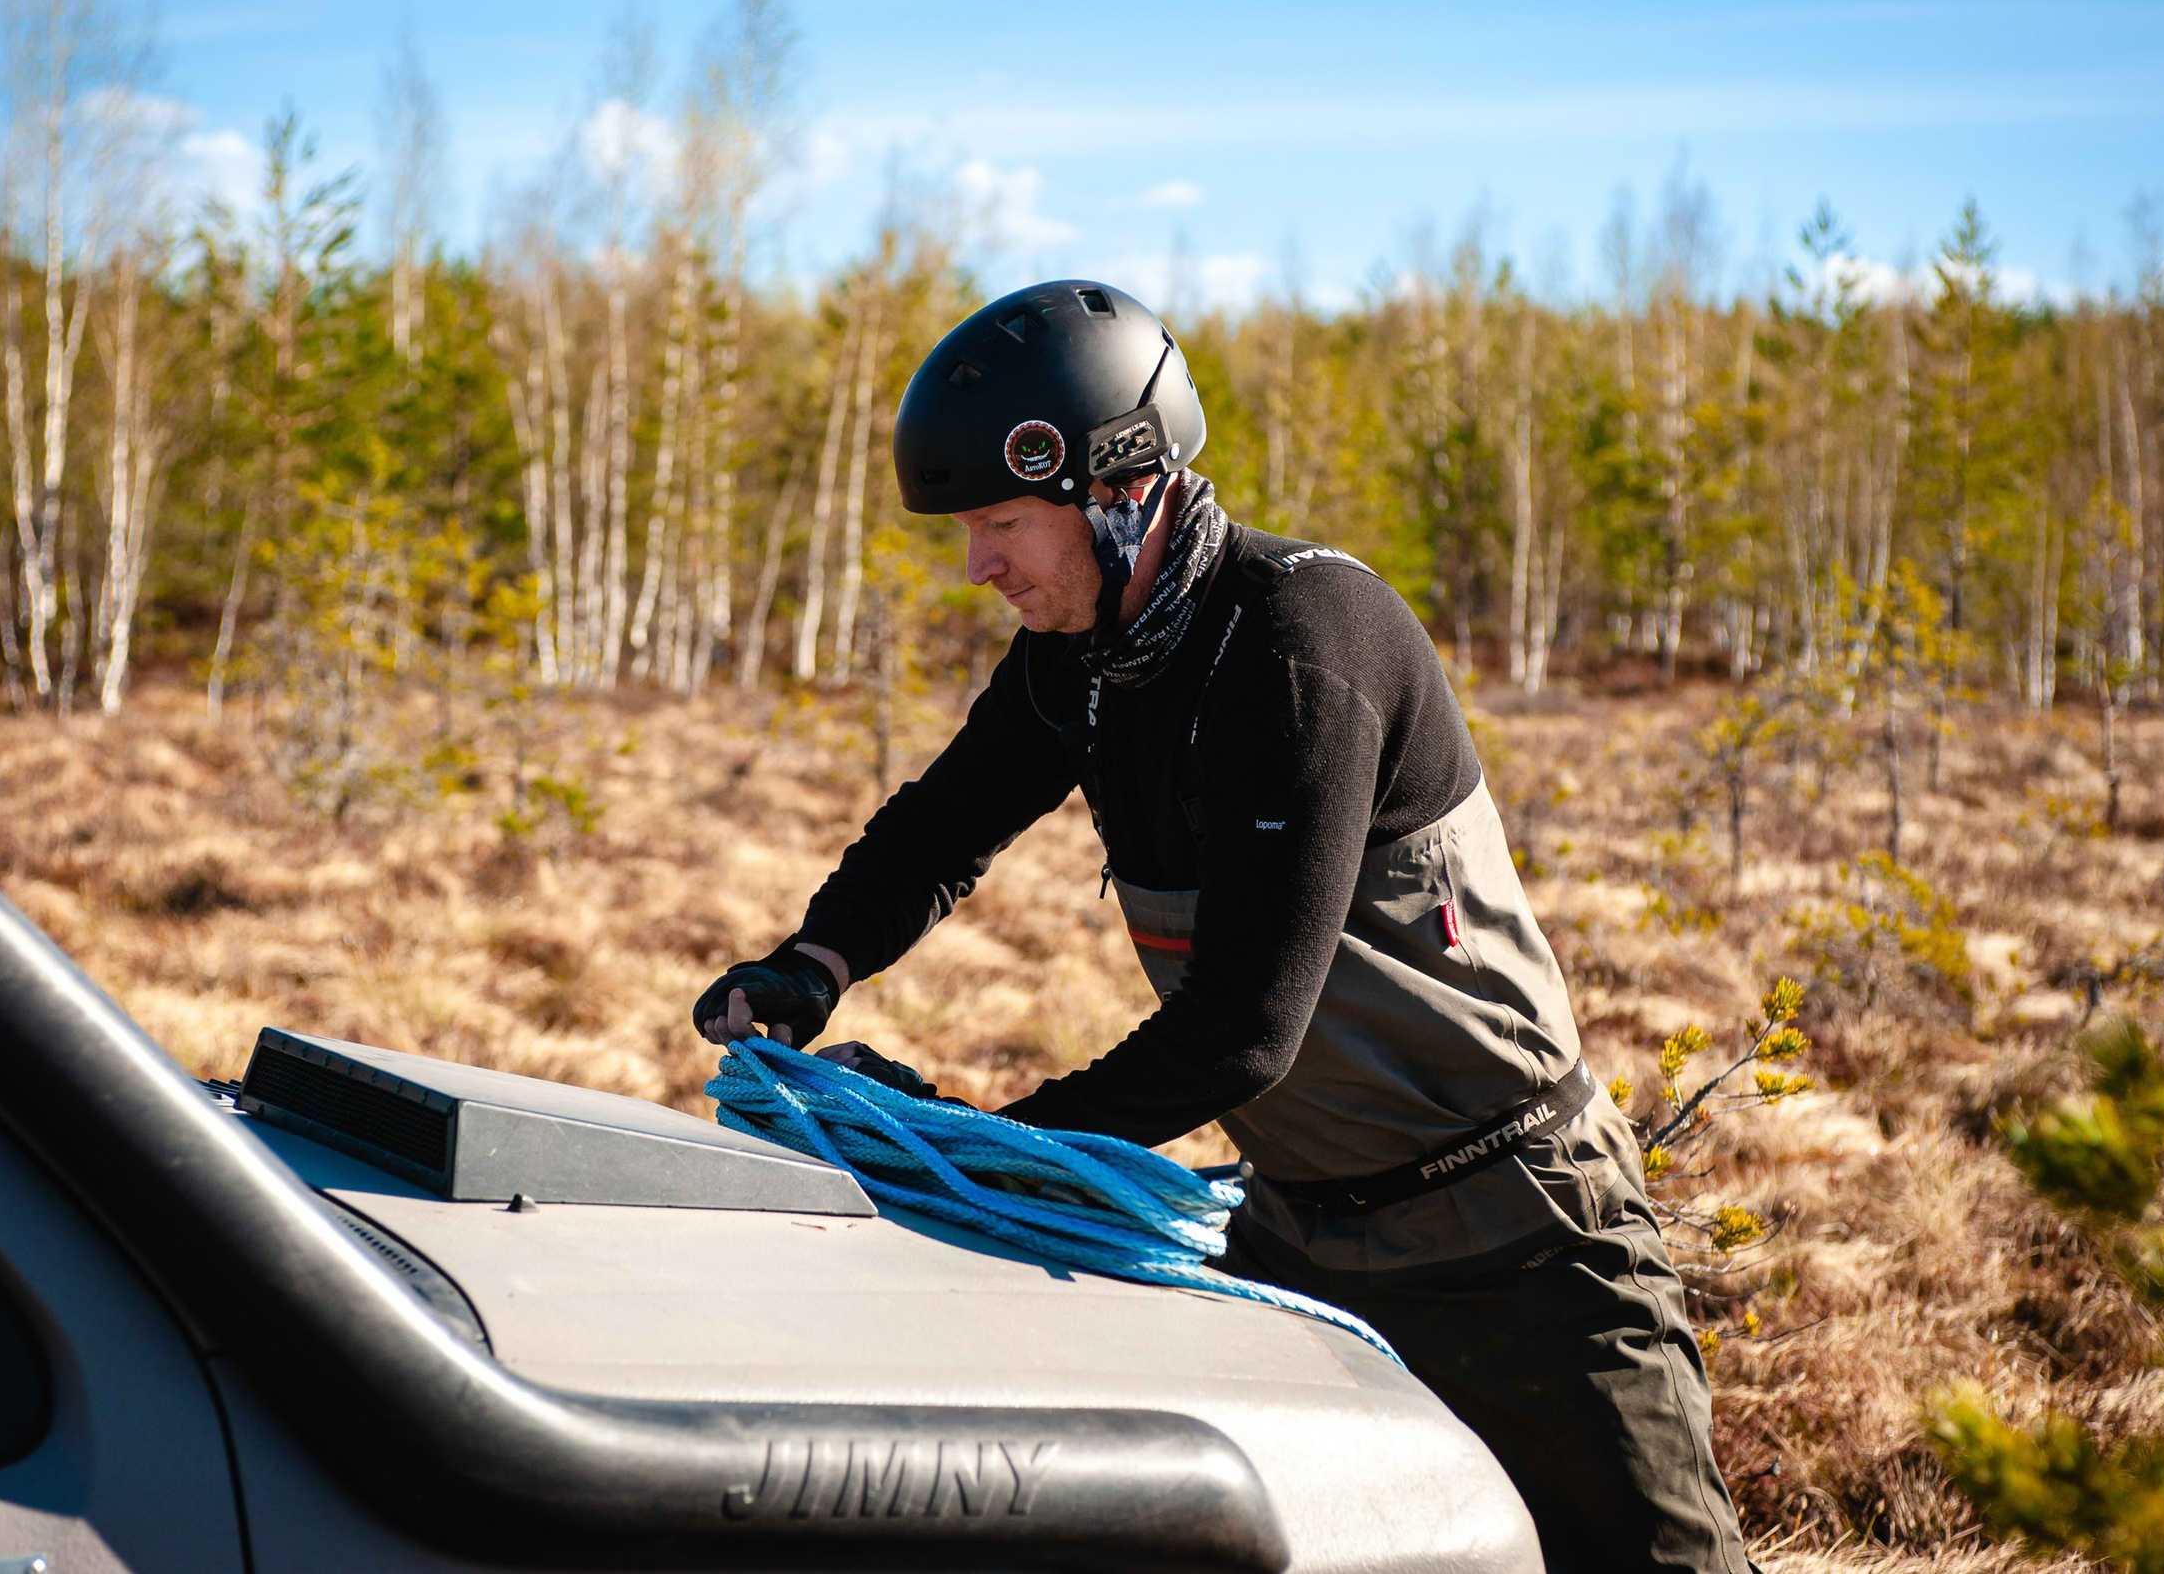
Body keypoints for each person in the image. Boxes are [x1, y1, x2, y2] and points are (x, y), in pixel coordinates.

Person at [691, 279, 1754, 1573]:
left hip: (1523, 1242)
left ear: (1117, 485)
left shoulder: (1301, 642)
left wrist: (994, 1155)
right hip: (1299, 1240)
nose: (979, 566)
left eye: (1002, 524)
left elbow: (1243, 1031)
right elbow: (936, 831)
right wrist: (811, 966)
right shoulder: (1081, 661)